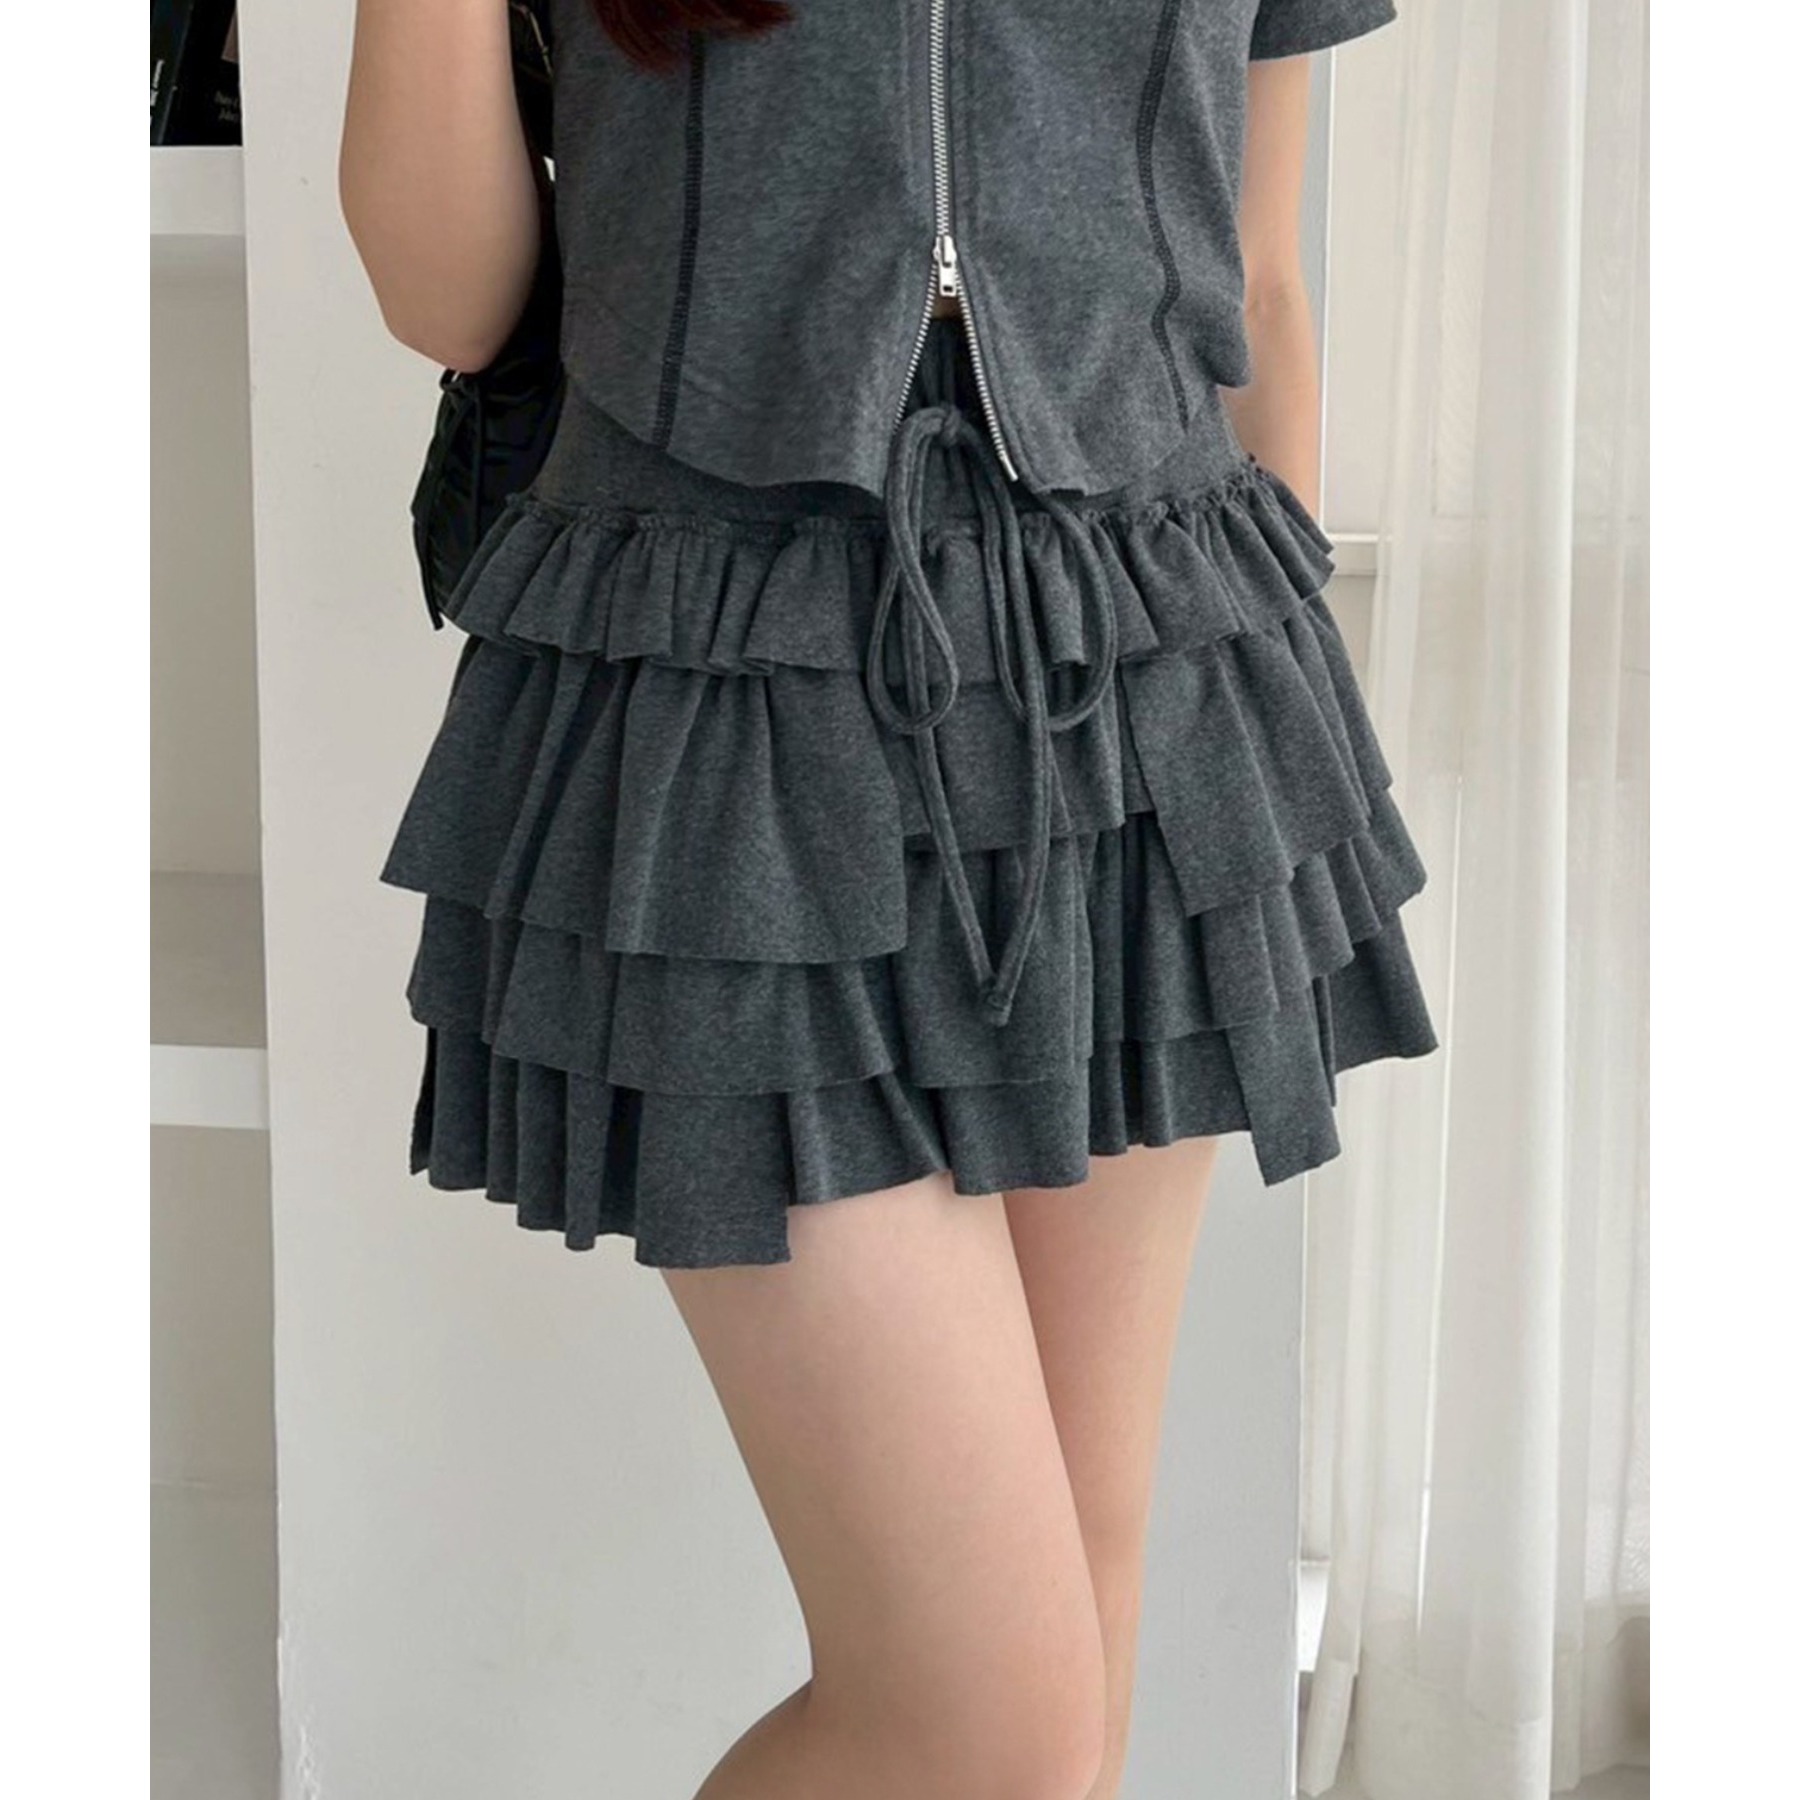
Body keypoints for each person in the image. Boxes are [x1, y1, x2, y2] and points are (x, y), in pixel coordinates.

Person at [342, 4, 1434, 1796]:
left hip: (1141, 663)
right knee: (988, 1721)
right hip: (725, 685)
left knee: (1075, 1651)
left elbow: (1261, 278)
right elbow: (444, 298)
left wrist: (1258, 714)